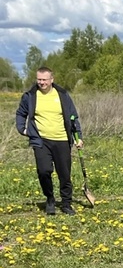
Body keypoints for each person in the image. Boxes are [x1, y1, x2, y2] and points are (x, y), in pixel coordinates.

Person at [15, 67, 83, 215]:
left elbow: (73, 117)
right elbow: (21, 113)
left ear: (52, 79)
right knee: (44, 171)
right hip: (41, 141)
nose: (41, 82)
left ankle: (66, 203)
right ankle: (50, 199)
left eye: (44, 79)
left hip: (62, 140)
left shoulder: (63, 95)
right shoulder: (30, 96)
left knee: (64, 174)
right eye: (39, 79)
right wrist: (23, 129)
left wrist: (78, 137)